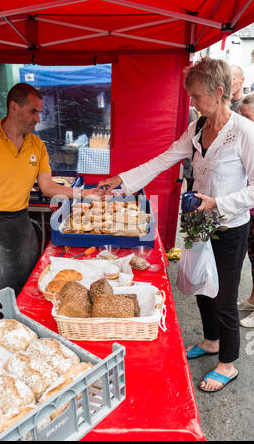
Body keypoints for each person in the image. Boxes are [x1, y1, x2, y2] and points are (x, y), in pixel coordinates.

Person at [97, 57, 254, 393]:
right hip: (199, 224)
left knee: (224, 296)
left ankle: (227, 363)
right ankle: (211, 341)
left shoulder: (244, 132)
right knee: (200, 286)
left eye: (196, 97)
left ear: (219, 92)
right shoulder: (197, 127)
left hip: (228, 228)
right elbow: (164, 158)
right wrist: (121, 180)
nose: (192, 103)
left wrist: (219, 203)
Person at [0, 83, 103, 297]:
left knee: (29, 289)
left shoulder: (37, 145)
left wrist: (85, 193)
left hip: (20, 225)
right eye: (33, 111)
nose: (38, 119)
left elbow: (47, 187)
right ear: (13, 107)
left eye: (39, 112)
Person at [237, 92, 254, 328]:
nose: (241, 120)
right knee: (253, 259)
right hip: (249, 210)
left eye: (246, 116)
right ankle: (252, 300)